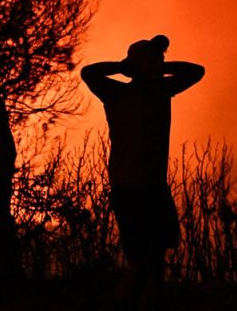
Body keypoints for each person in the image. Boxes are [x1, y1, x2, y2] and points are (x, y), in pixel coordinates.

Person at [81, 35, 204, 311]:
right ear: (135, 63)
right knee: (140, 260)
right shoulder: (117, 92)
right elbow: (88, 72)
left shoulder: (162, 88)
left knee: (156, 259)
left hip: (155, 186)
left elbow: (197, 71)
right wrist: (125, 66)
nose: (159, 61)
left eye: (160, 58)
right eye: (153, 57)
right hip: (129, 187)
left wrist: (156, 67)